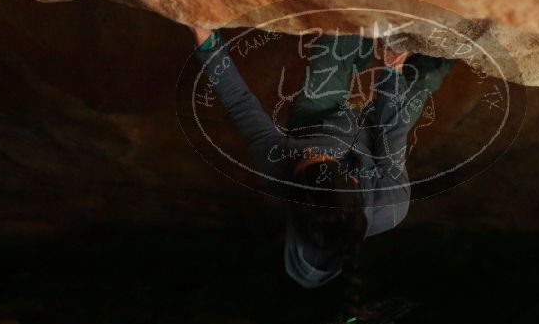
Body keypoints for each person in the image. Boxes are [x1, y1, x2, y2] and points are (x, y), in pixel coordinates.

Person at [190, 27, 452, 288]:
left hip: (317, 121)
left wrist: (206, 41)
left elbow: (239, 103)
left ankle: (359, 45)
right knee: (424, 76)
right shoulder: (390, 205)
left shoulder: (277, 166)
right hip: (374, 135)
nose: (311, 152)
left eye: (305, 158)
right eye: (323, 158)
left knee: (337, 39)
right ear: (353, 178)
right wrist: (391, 71)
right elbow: (390, 130)